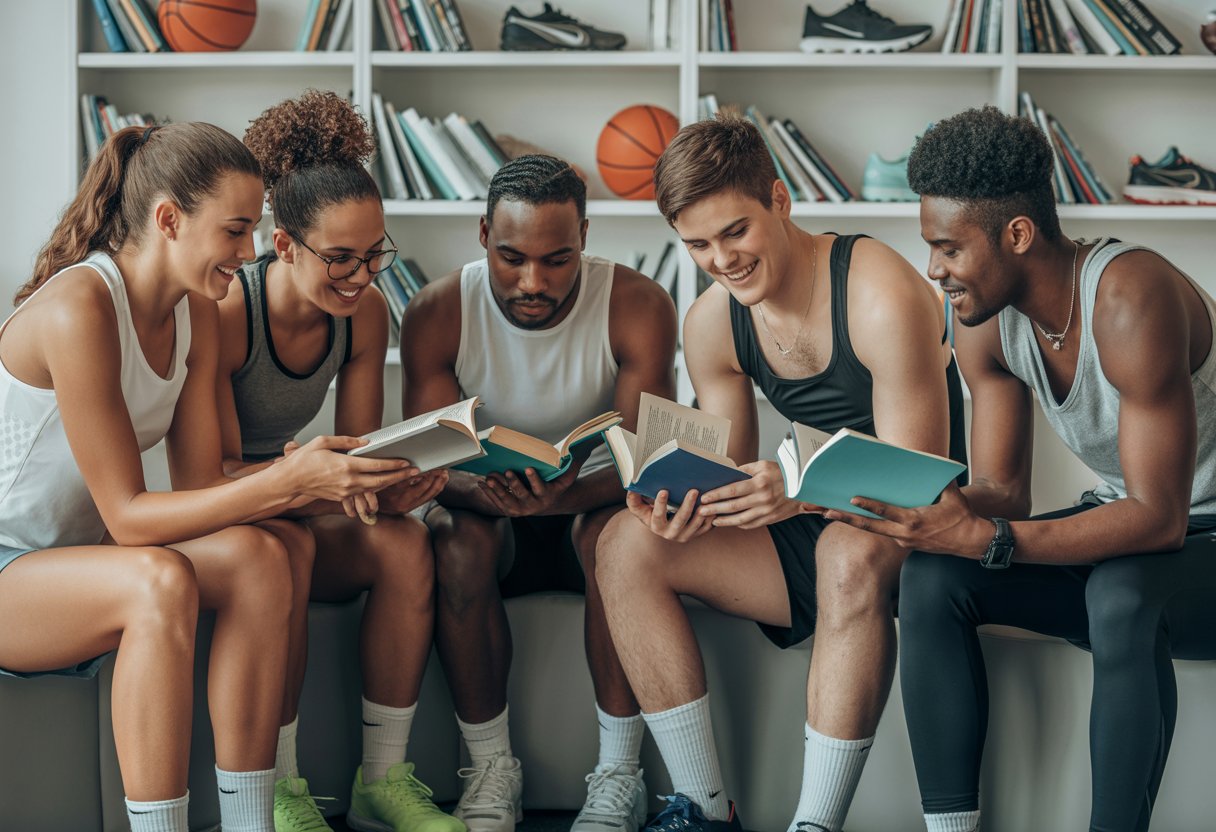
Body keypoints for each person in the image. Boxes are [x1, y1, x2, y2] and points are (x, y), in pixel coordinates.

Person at [0, 123, 412, 832]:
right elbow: (131, 518)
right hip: (16, 567)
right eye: (236, 230)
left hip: (82, 558)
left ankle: (253, 821)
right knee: (159, 580)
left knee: (257, 556)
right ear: (168, 220)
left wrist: (337, 483)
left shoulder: (193, 309)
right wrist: (293, 478)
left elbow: (202, 491)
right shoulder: (80, 308)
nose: (250, 253)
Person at [819, 105, 1216, 832]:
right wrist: (898, 508)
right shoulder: (987, 322)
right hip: (1140, 524)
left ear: (1018, 234)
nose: (933, 270)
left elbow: (1159, 521)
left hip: (1195, 538)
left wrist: (992, 539)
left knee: (1124, 595)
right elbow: (1003, 491)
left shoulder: (1131, 297)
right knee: (934, 576)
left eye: (947, 248)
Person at [594, 114, 968, 832]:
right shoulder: (711, 322)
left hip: (914, 528)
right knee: (622, 543)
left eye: (736, 231)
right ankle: (704, 812)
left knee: (845, 548)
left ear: (780, 199)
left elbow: (918, 479)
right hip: (812, 515)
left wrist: (794, 493)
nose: (722, 259)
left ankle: (813, 824)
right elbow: (729, 474)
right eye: (698, 244)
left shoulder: (875, 289)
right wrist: (683, 506)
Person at [399, 155, 678, 832]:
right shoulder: (437, 310)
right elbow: (431, 466)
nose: (534, 281)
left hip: (589, 511)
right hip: (487, 519)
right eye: (512, 257)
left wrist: (558, 499)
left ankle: (619, 774)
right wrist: (489, 494)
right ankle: (491, 771)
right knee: (452, 544)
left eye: (558, 259)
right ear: (483, 235)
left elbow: (649, 460)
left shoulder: (638, 303)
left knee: (618, 537)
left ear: (585, 234)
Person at [217, 90, 459, 832]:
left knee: (407, 542)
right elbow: (213, 475)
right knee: (281, 547)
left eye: (376, 253)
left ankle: (382, 782)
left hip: (298, 495)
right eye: (341, 258)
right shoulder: (230, 313)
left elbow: (355, 456)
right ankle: (284, 790)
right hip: (226, 508)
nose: (363, 276)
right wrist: (318, 482)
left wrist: (392, 484)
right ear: (283, 246)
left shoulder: (364, 315)